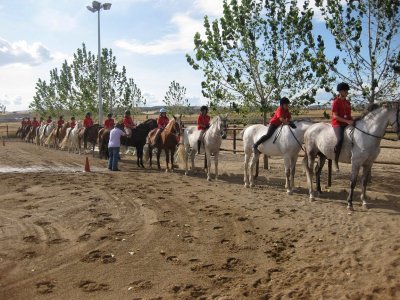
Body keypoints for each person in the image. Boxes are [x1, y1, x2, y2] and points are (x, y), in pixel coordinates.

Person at [332, 82, 353, 172]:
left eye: (347, 90)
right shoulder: (336, 102)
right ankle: (335, 160)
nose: (347, 92)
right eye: (345, 90)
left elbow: (348, 115)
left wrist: (353, 121)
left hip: (346, 123)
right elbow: (335, 116)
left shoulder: (347, 102)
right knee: (340, 139)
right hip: (338, 124)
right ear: (340, 91)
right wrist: (347, 121)